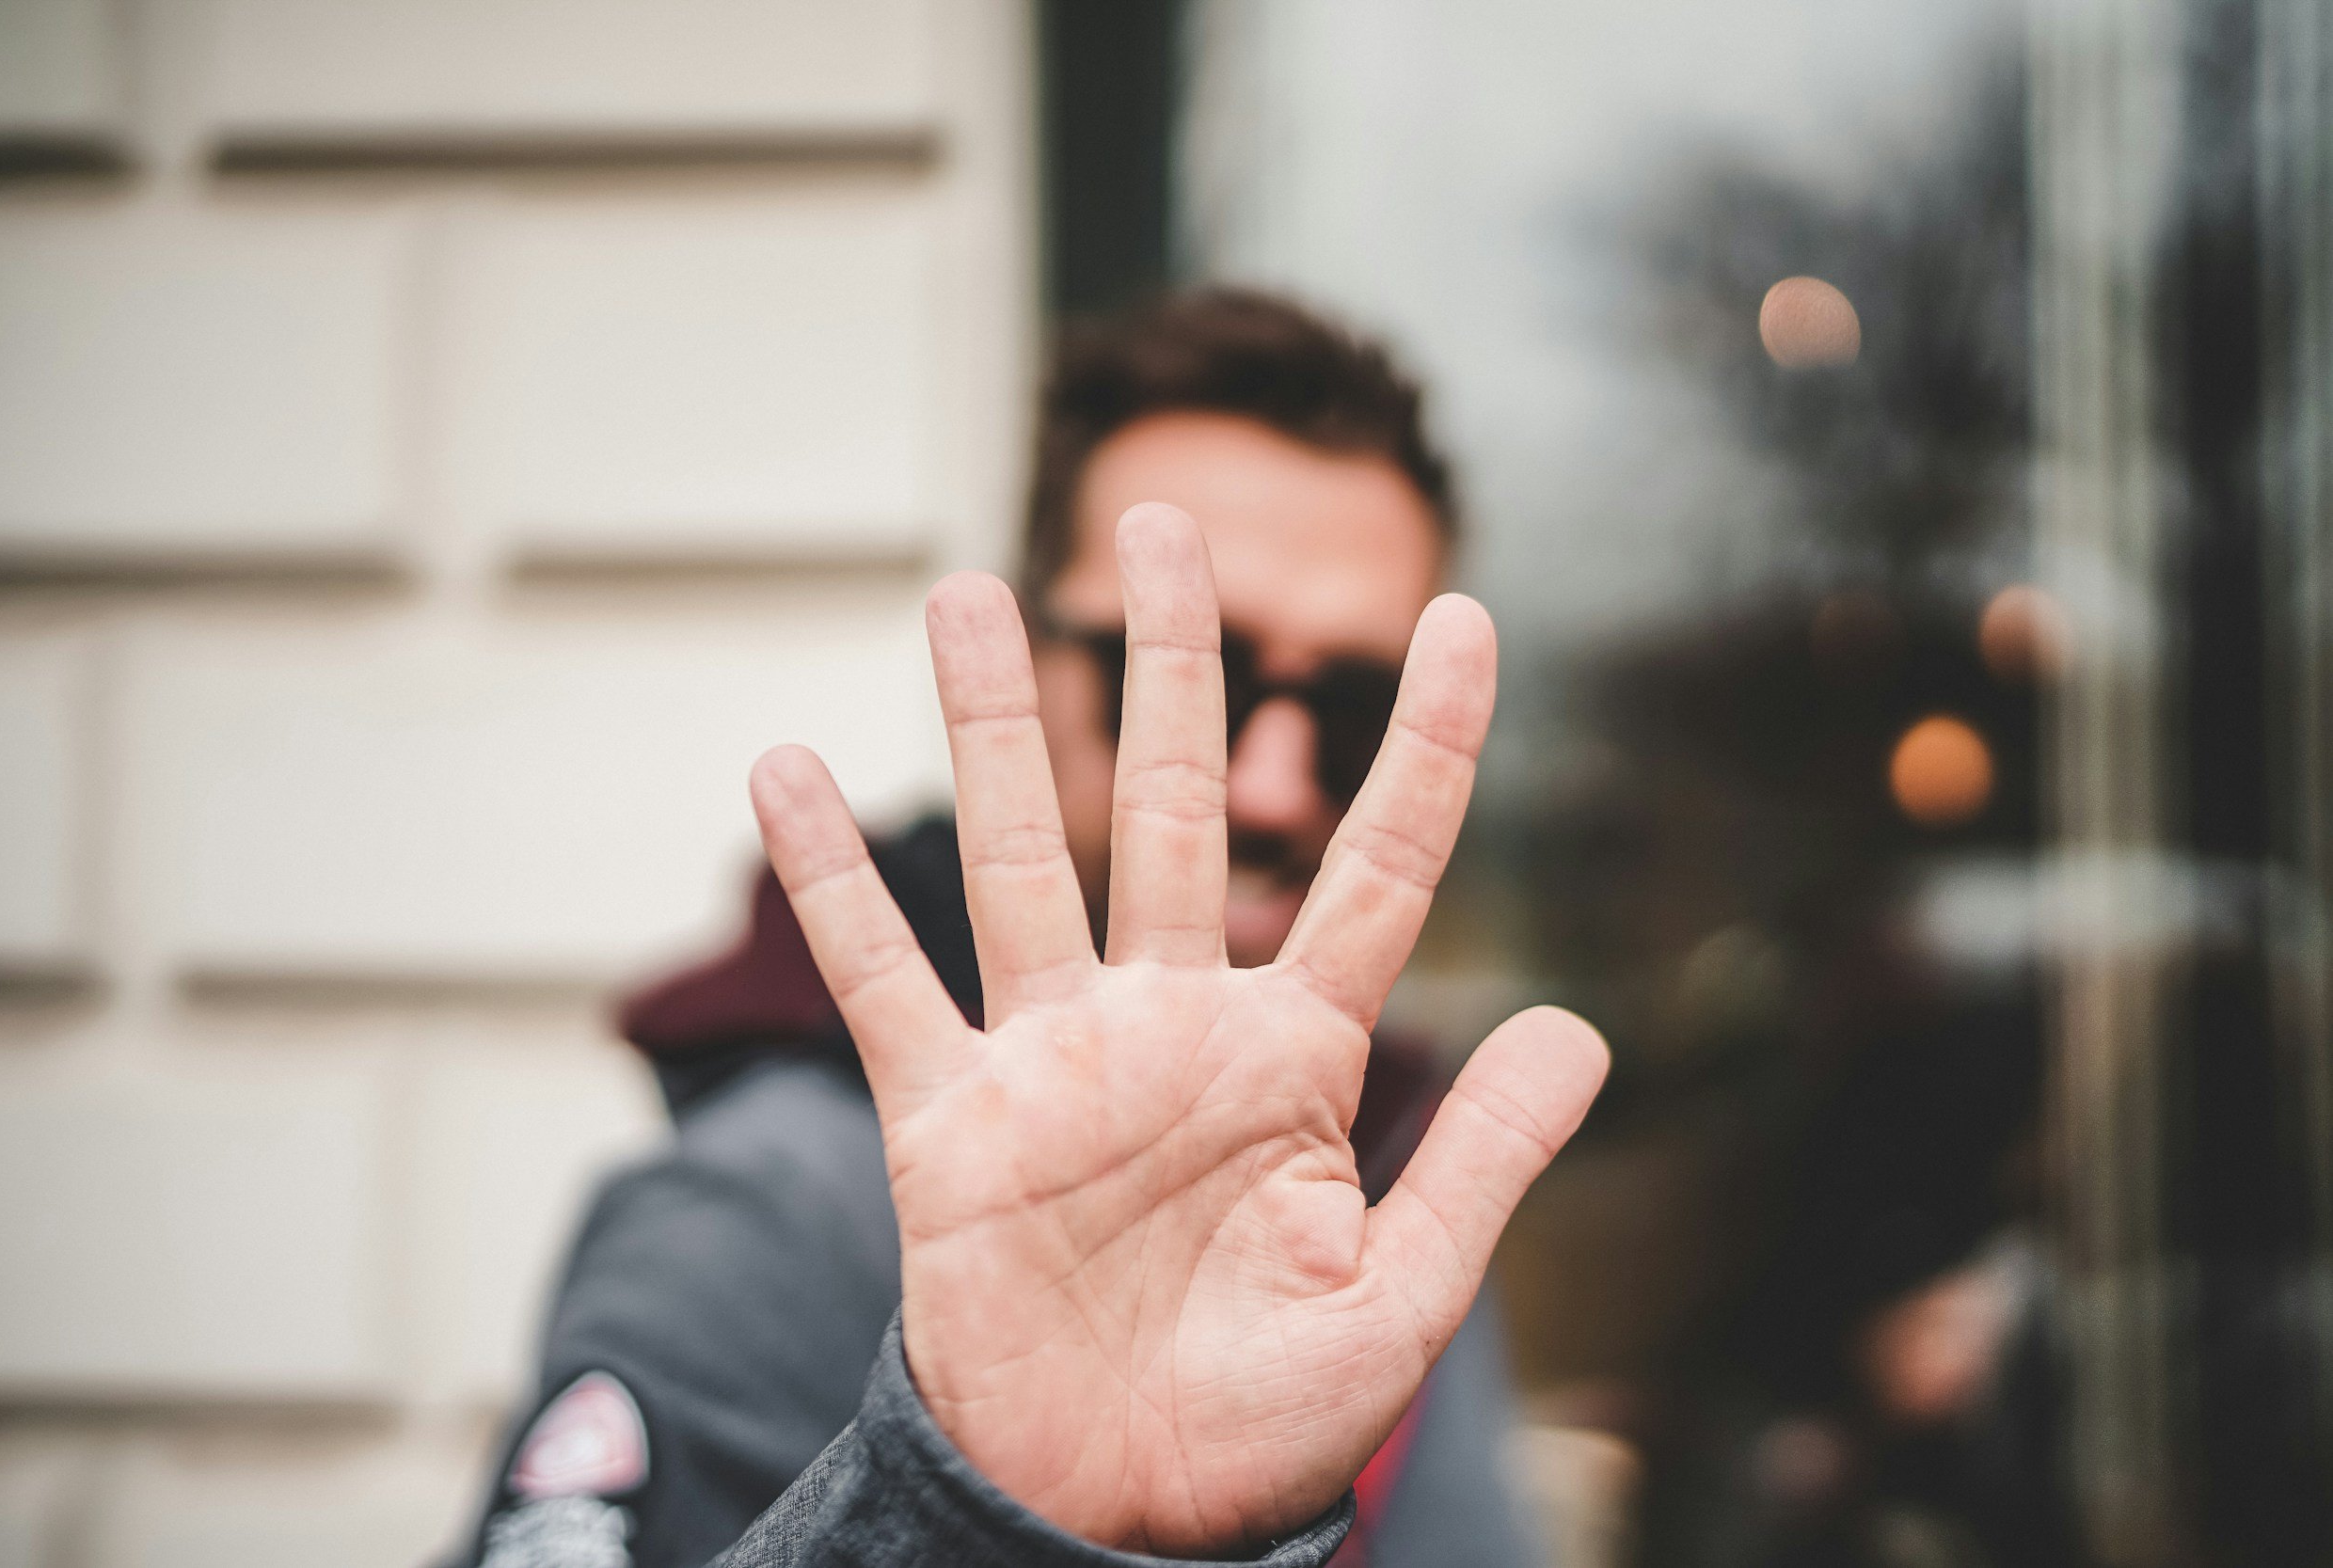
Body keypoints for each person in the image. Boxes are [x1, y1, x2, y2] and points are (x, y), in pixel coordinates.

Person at [449, 292, 1607, 1568]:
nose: (1276, 786)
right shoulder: (765, 1208)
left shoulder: (1385, 1168)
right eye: (1188, 673)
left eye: (1351, 706)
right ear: (1034, 654)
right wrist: (965, 1524)